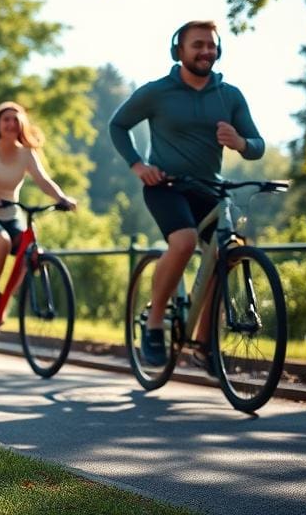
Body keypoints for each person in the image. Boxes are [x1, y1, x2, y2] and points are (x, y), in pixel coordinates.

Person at [109, 20, 264, 368]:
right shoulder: (157, 91)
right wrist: (138, 165)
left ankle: (206, 343)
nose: (205, 51)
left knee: (227, 255)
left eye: (211, 45)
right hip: (166, 187)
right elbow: (117, 125)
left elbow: (257, 144)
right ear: (179, 51)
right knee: (183, 241)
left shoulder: (230, 95)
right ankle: (153, 325)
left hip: (210, 189)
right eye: (197, 45)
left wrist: (240, 143)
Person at [0, 102, 76, 339]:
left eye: (16, 119)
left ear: (22, 124)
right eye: (6, 119)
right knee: (1, 242)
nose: (11, 124)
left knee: (30, 254)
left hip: (10, 213)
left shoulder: (26, 154)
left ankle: (3, 303)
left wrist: (62, 198)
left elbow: (44, 182)